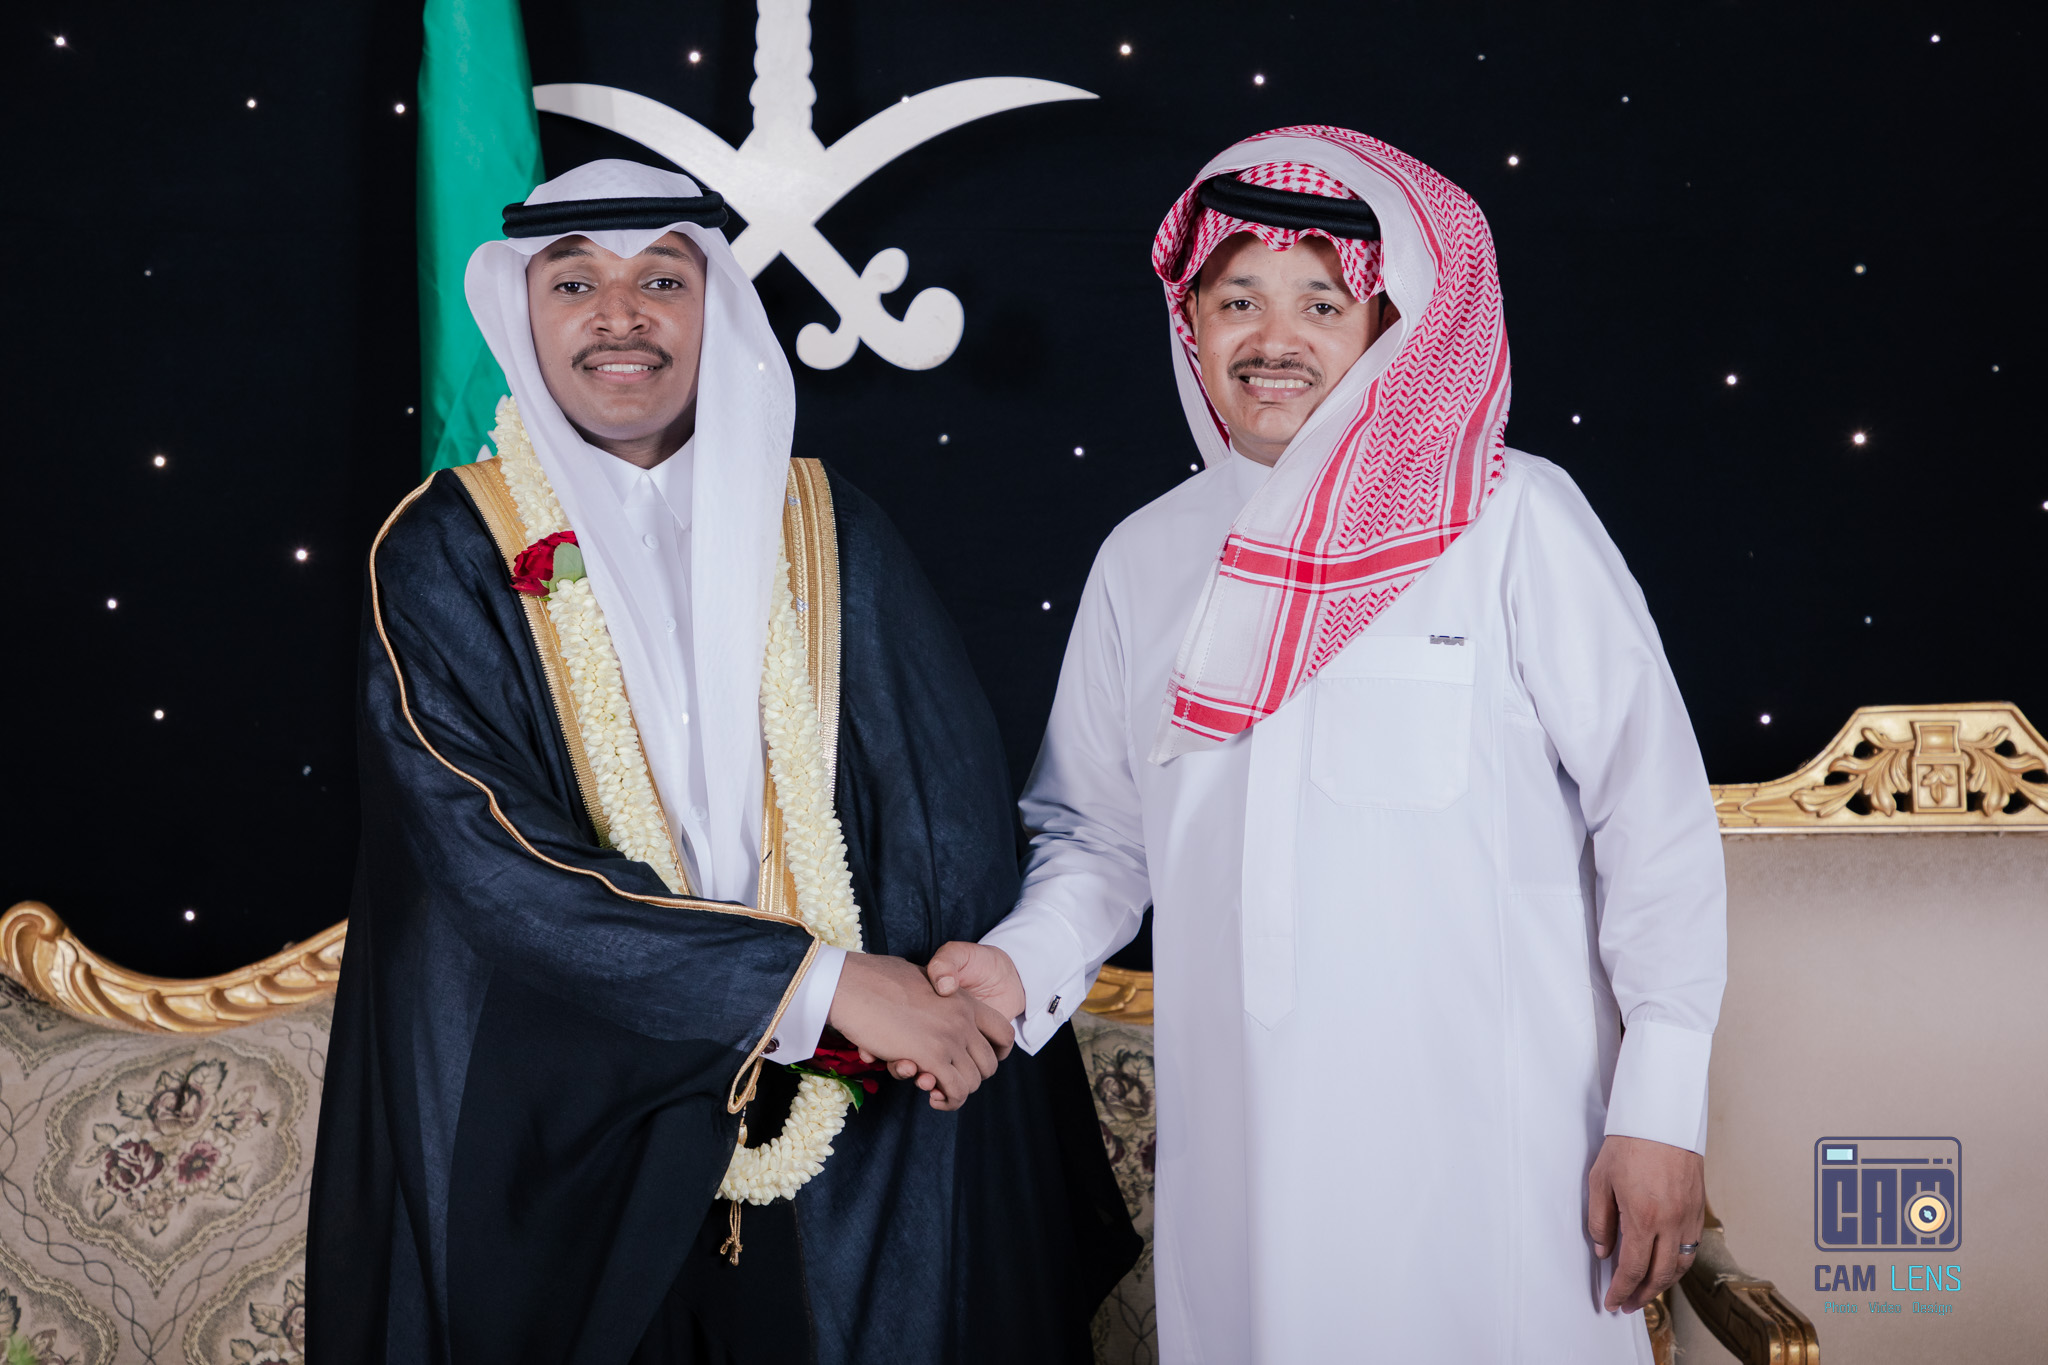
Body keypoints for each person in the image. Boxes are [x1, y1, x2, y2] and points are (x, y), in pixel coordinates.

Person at [308, 159, 1135, 1365]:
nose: (619, 316)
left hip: (849, 1119)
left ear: (717, 310)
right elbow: (489, 861)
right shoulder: (448, 549)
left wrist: (950, 1012)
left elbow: (940, 819)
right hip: (566, 1128)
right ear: (521, 311)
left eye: (661, 280)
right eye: (574, 283)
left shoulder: (829, 527)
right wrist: (814, 986)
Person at [925, 126, 1728, 1361]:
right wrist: (1016, 967)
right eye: (1236, 299)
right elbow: (1098, 835)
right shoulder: (1144, 557)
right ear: (1190, 323)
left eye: (1319, 302)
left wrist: (1660, 1108)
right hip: (1243, 1169)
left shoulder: (1513, 519)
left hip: (1499, 1161)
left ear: (1387, 327)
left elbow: (1654, 819)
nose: (1272, 339)